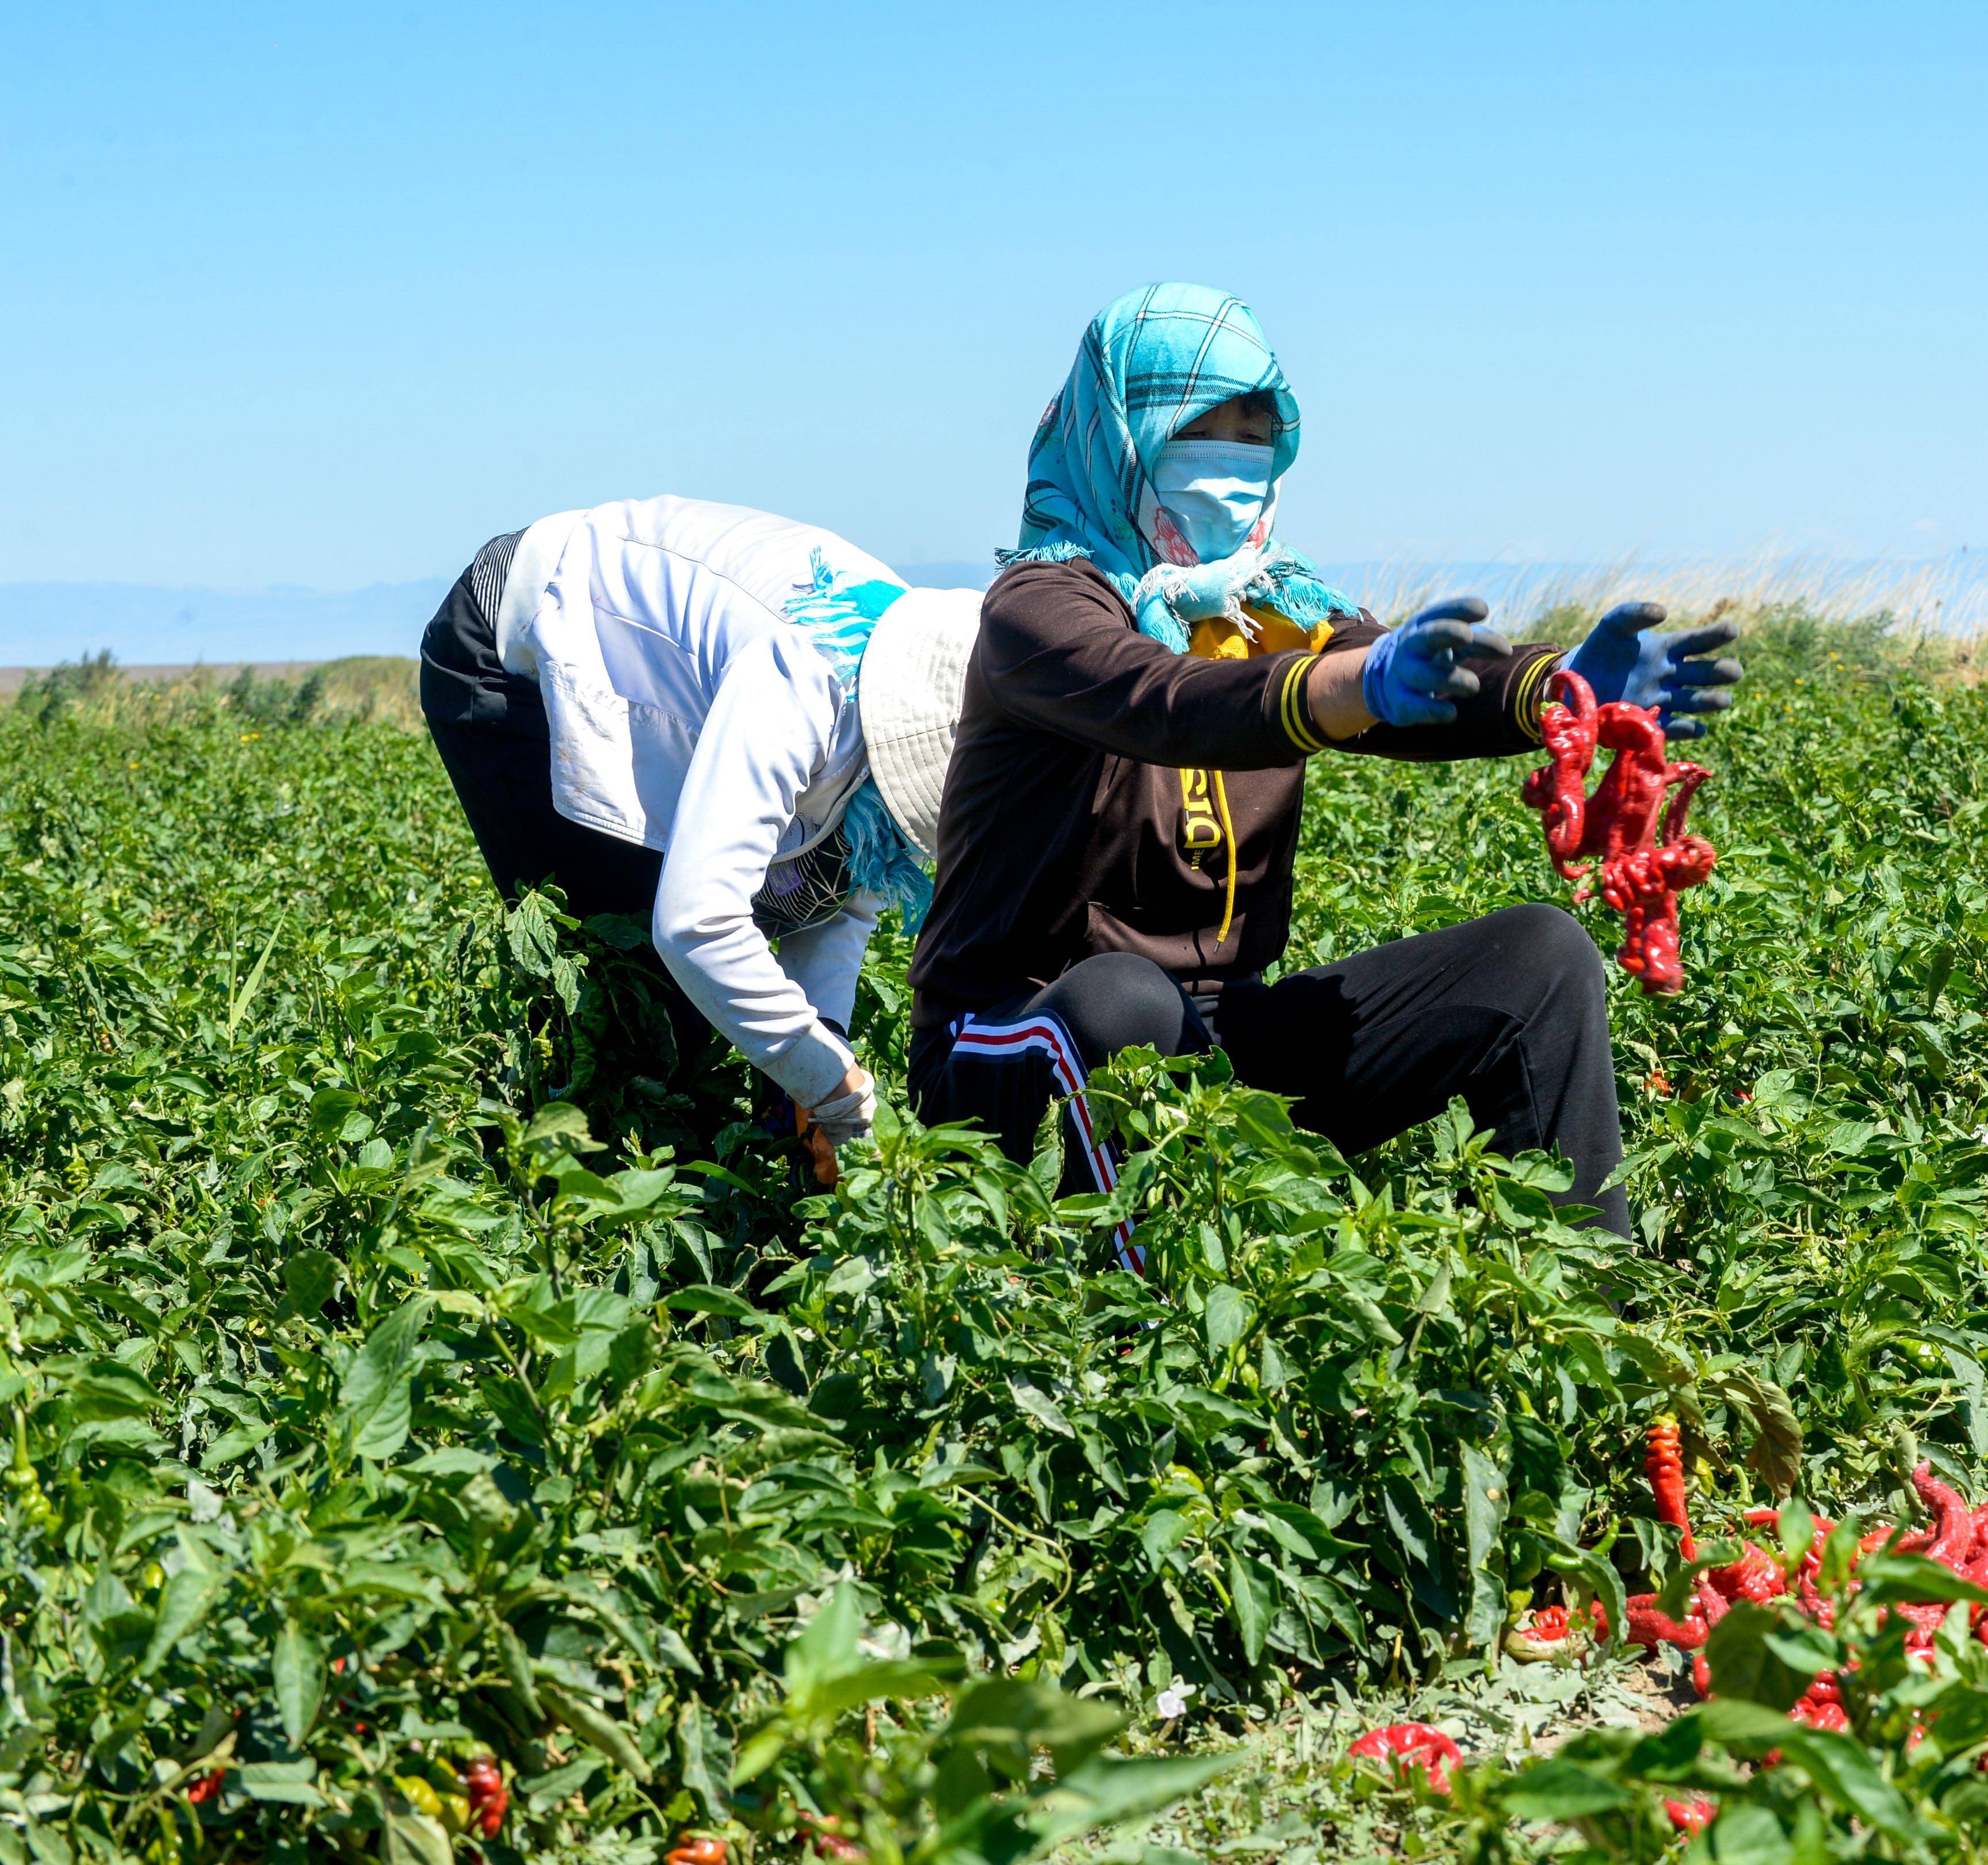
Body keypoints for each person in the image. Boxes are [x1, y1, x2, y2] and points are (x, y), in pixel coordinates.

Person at [905, 283, 1742, 1263]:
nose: (1236, 459)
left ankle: (1594, 1343)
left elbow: (1412, 684)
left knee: (1537, 960)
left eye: (1255, 431)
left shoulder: (1274, 607)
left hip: (1215, 1039)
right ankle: (1145, 1358)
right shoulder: (1041, 610)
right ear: (1119, 432)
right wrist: (1350, 686)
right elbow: (1164, 701)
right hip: (1013, 1044)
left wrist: (1552, 689)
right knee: (1121, 999)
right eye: (1201, 430)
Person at [418, 496, 977, 1168]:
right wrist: (836, 1091)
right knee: (631, 998)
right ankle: (564, 1200)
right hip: (515, 648)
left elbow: (840, 892)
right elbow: (695, 925)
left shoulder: (920, 685)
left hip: (649, 667)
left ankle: (756, 1167)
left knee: (716, 1017)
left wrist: (822, 1049)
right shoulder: (805, 677)